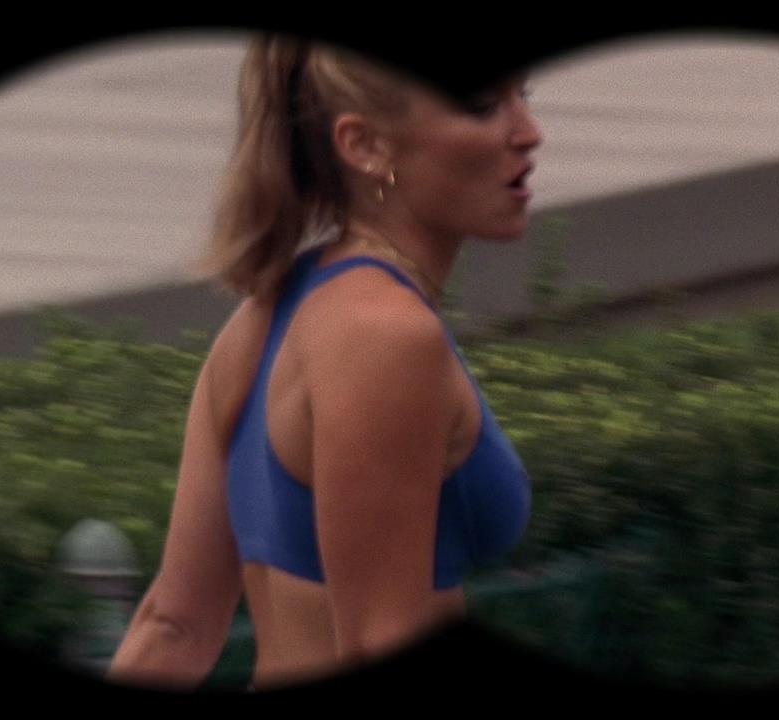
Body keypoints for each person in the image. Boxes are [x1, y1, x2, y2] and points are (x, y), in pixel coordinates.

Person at [106, 33, 542, 692]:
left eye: (523, 95)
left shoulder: (263, 320)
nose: (529, 132)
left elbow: (174, 628)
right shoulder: (386, 336)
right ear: (365, 145)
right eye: (483, 105)